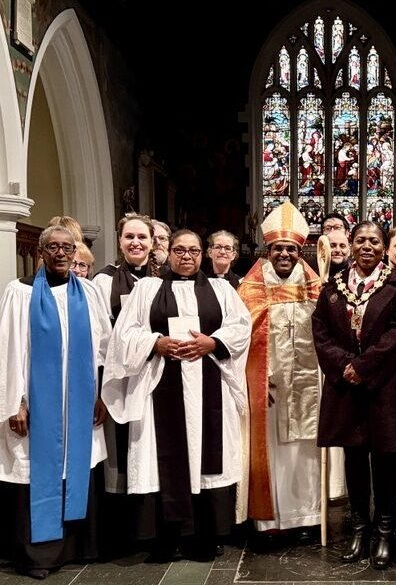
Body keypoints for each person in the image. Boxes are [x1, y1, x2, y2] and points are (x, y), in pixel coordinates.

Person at [0, 225, 111, 579]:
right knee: (33, 472)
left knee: (75, 472)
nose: (61, 253)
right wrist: (15, 402)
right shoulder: (19, 293)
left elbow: (105, 349)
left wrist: (102, 395)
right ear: (40, 252)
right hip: (36, 406)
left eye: (67, 247)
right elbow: (5, 351)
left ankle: (76, 548)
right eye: (53, 247)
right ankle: (37, 556)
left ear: (76, 252)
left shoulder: (89, 293)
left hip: (78, 406)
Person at [101, 229, 252, 561]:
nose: (187, 257)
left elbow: (242, 327)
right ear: (167, 253)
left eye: (194, 251)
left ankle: (203, 537)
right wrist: (155, 342)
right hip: (161, 389)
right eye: (180, 250)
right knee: (161, 459)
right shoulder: (147, 289)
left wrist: (213, 342)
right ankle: (165, 539)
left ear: (203, 255)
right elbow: (125, 334)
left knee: (204, 456)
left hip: (208, 389)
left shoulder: (221, 289)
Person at [312, 221, 396, 569]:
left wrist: (364, 366)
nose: (367, 246)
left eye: (374, 240)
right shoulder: (333, 287)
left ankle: (384, 531)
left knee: (385, 461)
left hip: (384, 387)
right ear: (352, 245)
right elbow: (321, 331)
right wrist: (344, 365)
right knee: (354, 460)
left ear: (384, 247)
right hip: (346, 388)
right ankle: (359, 529)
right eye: (361, 240)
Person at [237, 202, 323, 534]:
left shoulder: (316, 286)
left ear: (300, 251)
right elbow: (240, 337)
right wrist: (256, 378)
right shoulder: (250, 288)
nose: (284, 254)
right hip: (269, 386)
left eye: (290, 249)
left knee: (305, 453)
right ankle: (269, 520)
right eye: (278, 249)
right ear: (268, 250)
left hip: (307, 384)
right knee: (273, 453)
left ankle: (308, 517)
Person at [93, 213, 158, 502]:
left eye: (142, 237)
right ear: (119, 241)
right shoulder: (104, 281)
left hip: (155, 376)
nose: (136, 243)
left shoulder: (164, 278)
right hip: (119, 375)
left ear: (153, 242)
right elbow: (100, 335)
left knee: (151, 448)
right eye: (129, 237)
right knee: (119, 450)